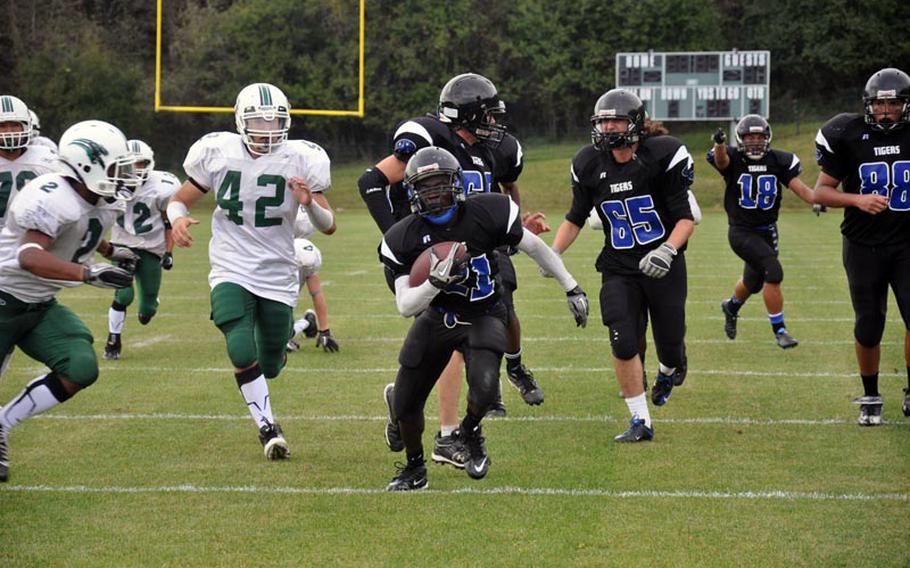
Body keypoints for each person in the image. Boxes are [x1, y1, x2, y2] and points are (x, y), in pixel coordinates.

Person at [359, 73, 547, 469]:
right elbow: (372, 181)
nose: (496, 125)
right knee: (450, 344)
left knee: (503, 314)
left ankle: (504, 374)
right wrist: (401, 240)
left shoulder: (496, 150)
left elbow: (506, 190)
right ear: (466, 115)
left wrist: (515, 222)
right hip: (438, 255)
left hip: (485, 250)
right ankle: (447, 436)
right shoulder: (431, 138)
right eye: (488, 116)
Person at [381, 146, 588, 490]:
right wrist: (435, 283)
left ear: (457, 184)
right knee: (405, 406)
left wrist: (571, 286)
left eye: (440, 184)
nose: (434, 193)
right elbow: (405, 306)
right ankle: (414, 469)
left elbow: (534, 247)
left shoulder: (488, 211)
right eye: (425, 186)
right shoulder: (402, 237)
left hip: (484, 312)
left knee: (486, 387)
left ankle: (471, 431)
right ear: (413, 193)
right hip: (438, 317)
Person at [167, 82, 335, 459]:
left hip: (277, 271)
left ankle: (282, 347)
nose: (267, 128)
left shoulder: (302, 157)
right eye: (258, 121)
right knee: (239, 345)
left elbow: (328, 226)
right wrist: (176, 220)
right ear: (242, 122)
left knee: (270, 364)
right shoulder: (218, 153)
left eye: (274, 120)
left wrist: (309, 203)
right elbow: (178, 200)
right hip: (230, 264)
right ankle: (267, 427)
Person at [549, 89, 695, 443]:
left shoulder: (661, 155)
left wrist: (668, 250)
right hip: (618, 267)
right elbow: (575, 218)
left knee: (670, 344)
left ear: (635, 124)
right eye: (602, 121)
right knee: (622, 337)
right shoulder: (588, 163)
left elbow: (685, 219)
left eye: (615, 120)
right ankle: (640, 420)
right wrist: (551, 255)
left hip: (663, 265)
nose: (608, 127)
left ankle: (668, 368)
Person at [0, 119, 140, 482]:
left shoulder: (100, 199)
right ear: (87, 165)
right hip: (3, 295)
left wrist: (110, 251)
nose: (124, 175)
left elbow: (81, 231)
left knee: (80, 366)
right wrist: (88, 274)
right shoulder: (52, 195)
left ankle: (3, 424)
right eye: (116, 166)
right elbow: (29, 255)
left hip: (37, 303)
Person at [814, 67, 910, 425]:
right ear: (868, 105)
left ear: (905, 105)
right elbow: (820, 191)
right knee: (869, 325)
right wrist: (857, 200)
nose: (886, 111)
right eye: (879, 104)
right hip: (863, 244)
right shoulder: (849, 133)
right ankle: (870, 394)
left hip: (906, 243)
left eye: (894, 104)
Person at [708, 114, 816, 348]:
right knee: (773, 271)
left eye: (759, 137)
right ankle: (780, 330)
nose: (755, 142)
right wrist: (719, 144)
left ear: (767, 138)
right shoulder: (733, 158)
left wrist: (818, 200)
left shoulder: (779, 160)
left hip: (767, 231)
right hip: (741, 231)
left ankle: (731, 306)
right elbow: (721, 161)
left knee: (754, 281)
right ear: (740, 139)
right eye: (750, 137)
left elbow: (803, 190)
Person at [0, 96, 60, 380]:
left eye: (15, 126)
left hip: (24, 251)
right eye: (3, 127)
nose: (9, 133)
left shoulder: (48, 161)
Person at [103, 140, 179, 359]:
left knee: (147, 308)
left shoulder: (163, 186)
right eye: (131, 163)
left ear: (151, 163)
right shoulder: (109, 183)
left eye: (141, 163)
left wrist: (169, 252)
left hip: (151, 248)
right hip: (121, 245)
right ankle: (113, 340)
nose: (137, 168)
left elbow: (168, 222)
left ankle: (149, 306)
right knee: (123, 294)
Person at [286, 207, 339, 353]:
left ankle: (302, 324)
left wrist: (325, 330)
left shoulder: (304, 252)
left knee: (273, 336)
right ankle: (307, 322)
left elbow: (316, 293)